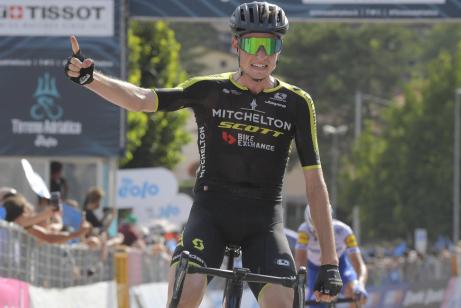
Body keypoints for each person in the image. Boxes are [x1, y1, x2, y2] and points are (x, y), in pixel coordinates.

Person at [64, 2, 342, 307]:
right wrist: (91, 79)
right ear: (236, 44)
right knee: (187, 291)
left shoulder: (297, 103)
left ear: (280, 48)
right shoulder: (209, 90)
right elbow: (143, 100)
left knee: (284, 302)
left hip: (264, 222)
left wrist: (330, 263)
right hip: (211, 213)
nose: (260, 56)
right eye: (252, 44)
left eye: (270, 45)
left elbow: (315, 186)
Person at [296, 206, 368, 308]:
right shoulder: (304, 231)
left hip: (340, 266)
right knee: (317, 302)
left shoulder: (344, 231)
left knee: (354, 293)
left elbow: (360, 265)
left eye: (322, 231)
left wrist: (360, 284)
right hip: (315, 268)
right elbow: (300, 262)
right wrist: (302, 285)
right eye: (315, 232)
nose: (319, 236)